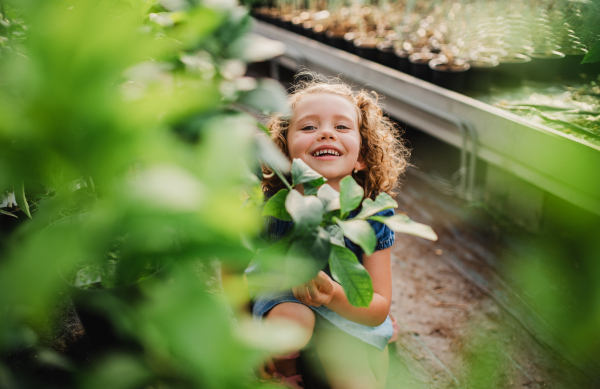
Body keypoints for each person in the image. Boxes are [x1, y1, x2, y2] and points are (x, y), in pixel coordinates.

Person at [250, 72, 409, 389]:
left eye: (341, 127)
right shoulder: (271, 206)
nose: (325, 134)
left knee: (357, 380)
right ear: (283, 153)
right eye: (309, 127)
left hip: (346, 307)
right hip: (286, 297)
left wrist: (335, 294)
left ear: (362, 157)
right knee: (291, 320)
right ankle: (283, 369)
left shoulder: (372, 215)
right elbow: (231, 266)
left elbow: (376, 306)